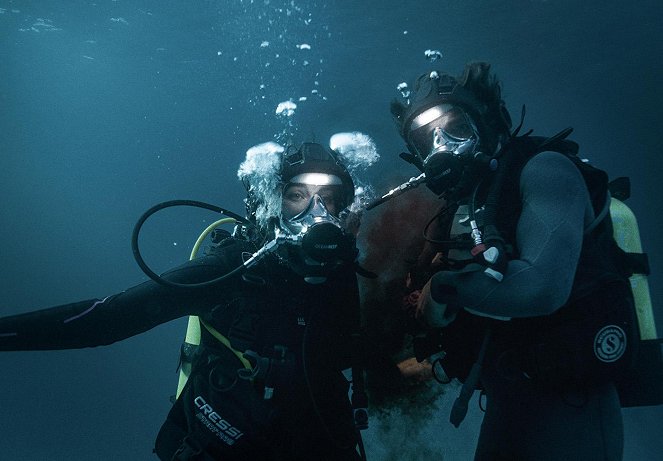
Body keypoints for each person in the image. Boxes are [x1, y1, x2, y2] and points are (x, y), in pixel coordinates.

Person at [0, 137, 378, 460]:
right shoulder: (233, 268)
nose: (316, 212)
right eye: (297, 196)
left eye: (329, 199)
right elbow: (108, 319)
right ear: (269, 203)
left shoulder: (347, 276)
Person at [387, 62, 636, 460]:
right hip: (505, 403)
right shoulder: (463, 209)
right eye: (425, 140)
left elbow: (542, 288)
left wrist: (444, 289)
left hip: (572, 406)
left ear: (489, 123)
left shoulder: (545, 170)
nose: (441, 146)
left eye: (456, 128)